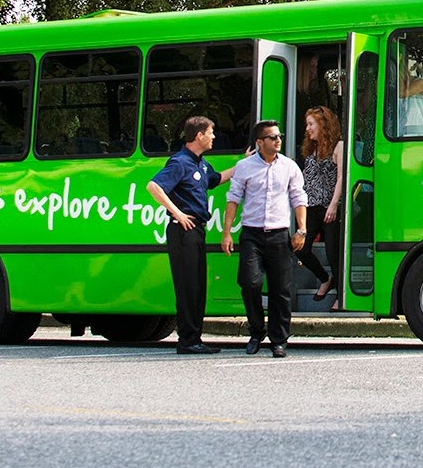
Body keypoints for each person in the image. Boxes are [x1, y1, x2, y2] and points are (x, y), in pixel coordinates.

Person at [146, 115, 234, 355]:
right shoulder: (180, 162)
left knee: (197, 287)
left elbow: (217, 179)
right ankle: (187, 340)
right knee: (187, 286)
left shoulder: (201, 164)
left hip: (197, 231)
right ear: (199, 135)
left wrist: (245, 164)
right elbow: (154, 186)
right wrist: (177, 213)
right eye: (211, 132)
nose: (214, 137)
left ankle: (194, 338)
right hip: (183, 229)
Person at [222, 120, 307, 358]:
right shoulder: (245, 167)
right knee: (250, 283)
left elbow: (299, 199)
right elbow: (233, 199)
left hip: (280, 235)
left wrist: (301, 230)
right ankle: (256, 331)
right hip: (252, 234)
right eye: (272, 137)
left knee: (282, 290)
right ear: (260, 142)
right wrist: (227, 232)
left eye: (279, 136)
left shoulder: (289, 167)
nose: (278, 140)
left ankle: (279, 340)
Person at [296, 106, 345, 310]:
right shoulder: (311, 149)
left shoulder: (338, 146)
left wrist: (334, 205)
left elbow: (342, 176)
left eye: (311, 124)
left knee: (334, 253)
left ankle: (341, 298)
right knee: (300, 248)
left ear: (323, 125)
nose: (307, 129)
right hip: (311, 207)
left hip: (330, 207)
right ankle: (325, 279)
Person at [399, 53, 423, 136]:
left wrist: (398, 69)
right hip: (402, 135)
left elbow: (402, 93)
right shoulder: (404, 83)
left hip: (419, 136)